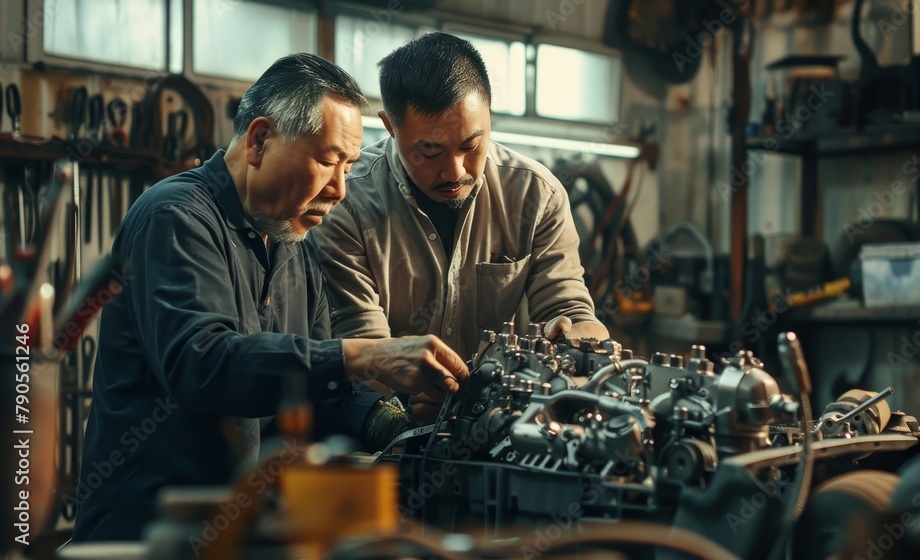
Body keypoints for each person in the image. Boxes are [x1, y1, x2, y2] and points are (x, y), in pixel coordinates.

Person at [71, 53, 468, 542]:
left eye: (348, 167)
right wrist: (362, 354)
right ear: (259, 140)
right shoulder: (174, 218)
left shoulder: (290, 244)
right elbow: (202, 363)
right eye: (328, 161)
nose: (341, 190)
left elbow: (321, 390)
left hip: (239, 535)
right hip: (147, 537)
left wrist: (403, 431)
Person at [310, 33, 609, 375]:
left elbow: (565, 305)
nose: (455, 172)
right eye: (430, 152)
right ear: (390, 127)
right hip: (377, 411)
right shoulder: (345, 201)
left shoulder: (536, 196)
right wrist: (400, 403)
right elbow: (361, 339)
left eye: (470, 146)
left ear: (489, 117)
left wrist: (581, 335)